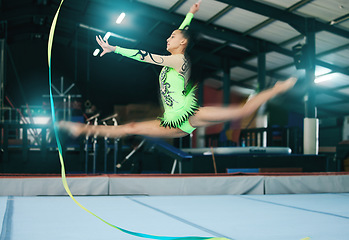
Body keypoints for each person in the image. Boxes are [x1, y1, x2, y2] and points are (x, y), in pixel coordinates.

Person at [59, 0, 297, 139]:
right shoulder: (177, 53)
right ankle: (83, 129)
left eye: (172, 37)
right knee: (131, 128)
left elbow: (145, 56)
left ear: (181, 43)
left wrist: (116, 48)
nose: (167, 39)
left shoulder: (177, 61)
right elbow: (182, 30)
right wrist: (190, 14)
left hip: (190, 115)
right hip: (171, 123)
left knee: (239, 112)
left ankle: (276, 89)